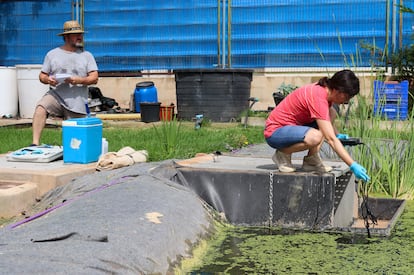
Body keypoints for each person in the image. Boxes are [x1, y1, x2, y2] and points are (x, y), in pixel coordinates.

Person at [264, 69, 370, 182]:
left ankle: (311, 160)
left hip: (292, 128)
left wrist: (337, 134)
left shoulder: (325, 92)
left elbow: (326, 120)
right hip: (275, 132)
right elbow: (330, 139)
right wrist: (352, 165)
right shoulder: (318, 97)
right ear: (339, 91)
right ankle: (282, 154)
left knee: (332, 112)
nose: (346, 101)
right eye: (347, 97)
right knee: (315, 137)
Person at [31, 20, 98, 146]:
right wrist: (48, 80)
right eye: (76, 35)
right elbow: (42, 75)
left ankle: (72, 152)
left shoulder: (87, 55)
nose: (80, 37)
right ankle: (35, 143)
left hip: (78, 100)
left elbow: (94, 77)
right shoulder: (52, 54)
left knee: (77, 141)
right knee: (41, 107)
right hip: (56, 95)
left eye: (81, 34)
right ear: (66, 37)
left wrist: (78, 80)